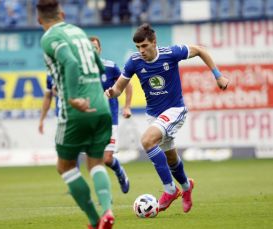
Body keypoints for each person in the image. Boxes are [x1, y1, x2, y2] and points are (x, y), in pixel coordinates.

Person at [105, 23, 229, 213]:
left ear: (154, 42)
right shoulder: (134, 61)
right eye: (138, 47)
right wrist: (112, 92)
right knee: (171, 159)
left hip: (175, 110)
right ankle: (187, 186)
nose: (141, 51)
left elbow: (201, 50)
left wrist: (218, 76)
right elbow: (119, 87)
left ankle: (170, 190)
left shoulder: (170, 53)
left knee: (147, 141)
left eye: (145, 46)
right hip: (153, 115)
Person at [36, 1, 115, 228]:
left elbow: (69, 62)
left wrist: (71, 97)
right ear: (62, 14)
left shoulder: (50, 37)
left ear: (39, 20)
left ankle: (93, 220)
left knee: (65, 166)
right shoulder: (79, 33)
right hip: (101, 106)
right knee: (96, 163)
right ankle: (108, 211)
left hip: (76, 110)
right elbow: (99, 65)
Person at [89, 36, 132, 194]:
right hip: (90, 120)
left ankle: (120, 172)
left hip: (110, 119)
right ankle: (104, 196)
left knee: (107, 159)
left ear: (100, 50)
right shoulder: (81, 70)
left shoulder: (110, 67)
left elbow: (127, 84)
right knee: (93, 161)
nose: (93, 50)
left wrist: (127, 107)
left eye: (95, 47)